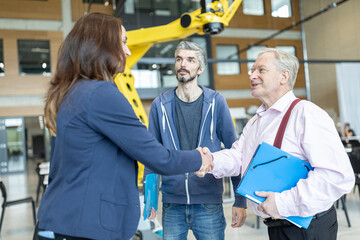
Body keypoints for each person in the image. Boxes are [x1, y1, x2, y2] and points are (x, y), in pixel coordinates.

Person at [34, 13, 213, 240]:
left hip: (61, 222)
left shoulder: (72, 93)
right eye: (124, 42)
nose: (128, 52)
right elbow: (160, 158)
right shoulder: (101, 93)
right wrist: (200, 157)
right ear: (103, 46)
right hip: (82, 227)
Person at [202, 48, 355, 240]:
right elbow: (239, 157)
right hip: (276, 226)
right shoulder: (256, 121)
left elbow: (337, 176)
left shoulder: (307, 114)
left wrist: (282, 203)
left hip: (307, 229)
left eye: (261, 70)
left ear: (284, 77)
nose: (252, 75)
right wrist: (211, 161)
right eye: (252, 70)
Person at [143, 41, 247, 240]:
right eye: (179, 59)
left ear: (200, 68)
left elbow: (235, 152)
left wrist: (240, 201)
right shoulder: (160, 105)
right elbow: (151, 154)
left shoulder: (216, 102)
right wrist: (150, 200)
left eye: (190, 60)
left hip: (208, 204)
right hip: (172, 204)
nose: (183, 64)